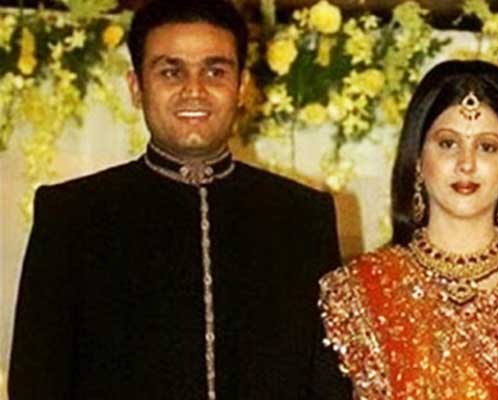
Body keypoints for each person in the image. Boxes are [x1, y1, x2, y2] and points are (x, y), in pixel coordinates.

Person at [9, 0, 351, 399]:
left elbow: (329, 383)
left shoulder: (301, 217)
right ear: (136, 87)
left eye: (215, 71)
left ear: (242, 87)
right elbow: (36, 384)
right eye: (171, 72)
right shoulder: (72, 215)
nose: (194, 90)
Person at [319, 60, 498, 399]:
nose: (466, 164)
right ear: (418, 158)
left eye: (487, 147)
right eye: (448, 143)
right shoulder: (360, 286)